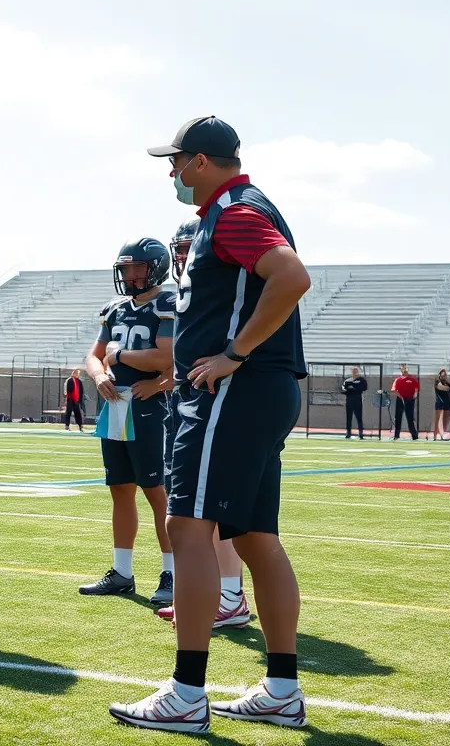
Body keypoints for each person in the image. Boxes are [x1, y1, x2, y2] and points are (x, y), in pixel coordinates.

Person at [111, 117, 310, 732]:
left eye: (175, 161)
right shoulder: (231, 212)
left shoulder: (235, 211)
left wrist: (234, 354)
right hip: (256, 393)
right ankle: (281, 687)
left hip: (233, 391)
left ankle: (187, 693)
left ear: (201, 161)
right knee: (252, 537)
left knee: (187, 527)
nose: (170, 172)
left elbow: (292, 276)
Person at [156, 216, 250, 631]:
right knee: (195, 509)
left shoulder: (222, 288)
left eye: (188, 247)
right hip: (189, 400)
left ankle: (230, 595)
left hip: (217, 399)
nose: (181, 255)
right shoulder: (189, 290)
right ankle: (214, 594)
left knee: (213, 508)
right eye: (178, 248)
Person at [80, 238, 175, 605]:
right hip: (116, 406)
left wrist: (118, 356)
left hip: (148, 408)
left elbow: (164, 357)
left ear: (154, 268)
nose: (131, 275)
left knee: (156, 493)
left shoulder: (167, 303)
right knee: (120, 488)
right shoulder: (116, 309)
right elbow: (93, 356)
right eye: (126, 268)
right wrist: (99, 375)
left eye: (137, 268)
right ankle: (122, 572)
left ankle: (171, 572)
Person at [392, 364, 419, 440]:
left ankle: (414, 436)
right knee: (398, 418)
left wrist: (414, 395)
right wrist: (400, 396)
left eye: (406, 369)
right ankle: (396, 436)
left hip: (410, 400)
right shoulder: (398, 379)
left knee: (410, 418)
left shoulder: (412, 379)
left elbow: (416, 388)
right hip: (400, 400)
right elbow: (394, 389)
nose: (405, 370)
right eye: (403, 369)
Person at [342, 367, 368, 440]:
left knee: (359, 417)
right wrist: (349, 390)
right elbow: (343, 389)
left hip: (358, 400)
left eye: (356, 372)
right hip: (349, 401)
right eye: (353, 372)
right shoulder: (347, 381)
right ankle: (348, 433)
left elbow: (364, 387)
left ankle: (361, 433)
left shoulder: (361, 380)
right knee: (349, 417)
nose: (354, 373)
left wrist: (355, 388)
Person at [433, 369, 450, 441]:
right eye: (443, 375)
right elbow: (441, 387)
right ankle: (435, 435)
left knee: (446, 419)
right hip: (440, 402)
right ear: (440, 375)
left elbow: (448, 388)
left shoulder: (448, 383)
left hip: (447, 402)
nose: (444, 376)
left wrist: (447, 388)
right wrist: (446, 388)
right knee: (438, 419)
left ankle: (442, 434)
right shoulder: (437, 382)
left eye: (445, 375)